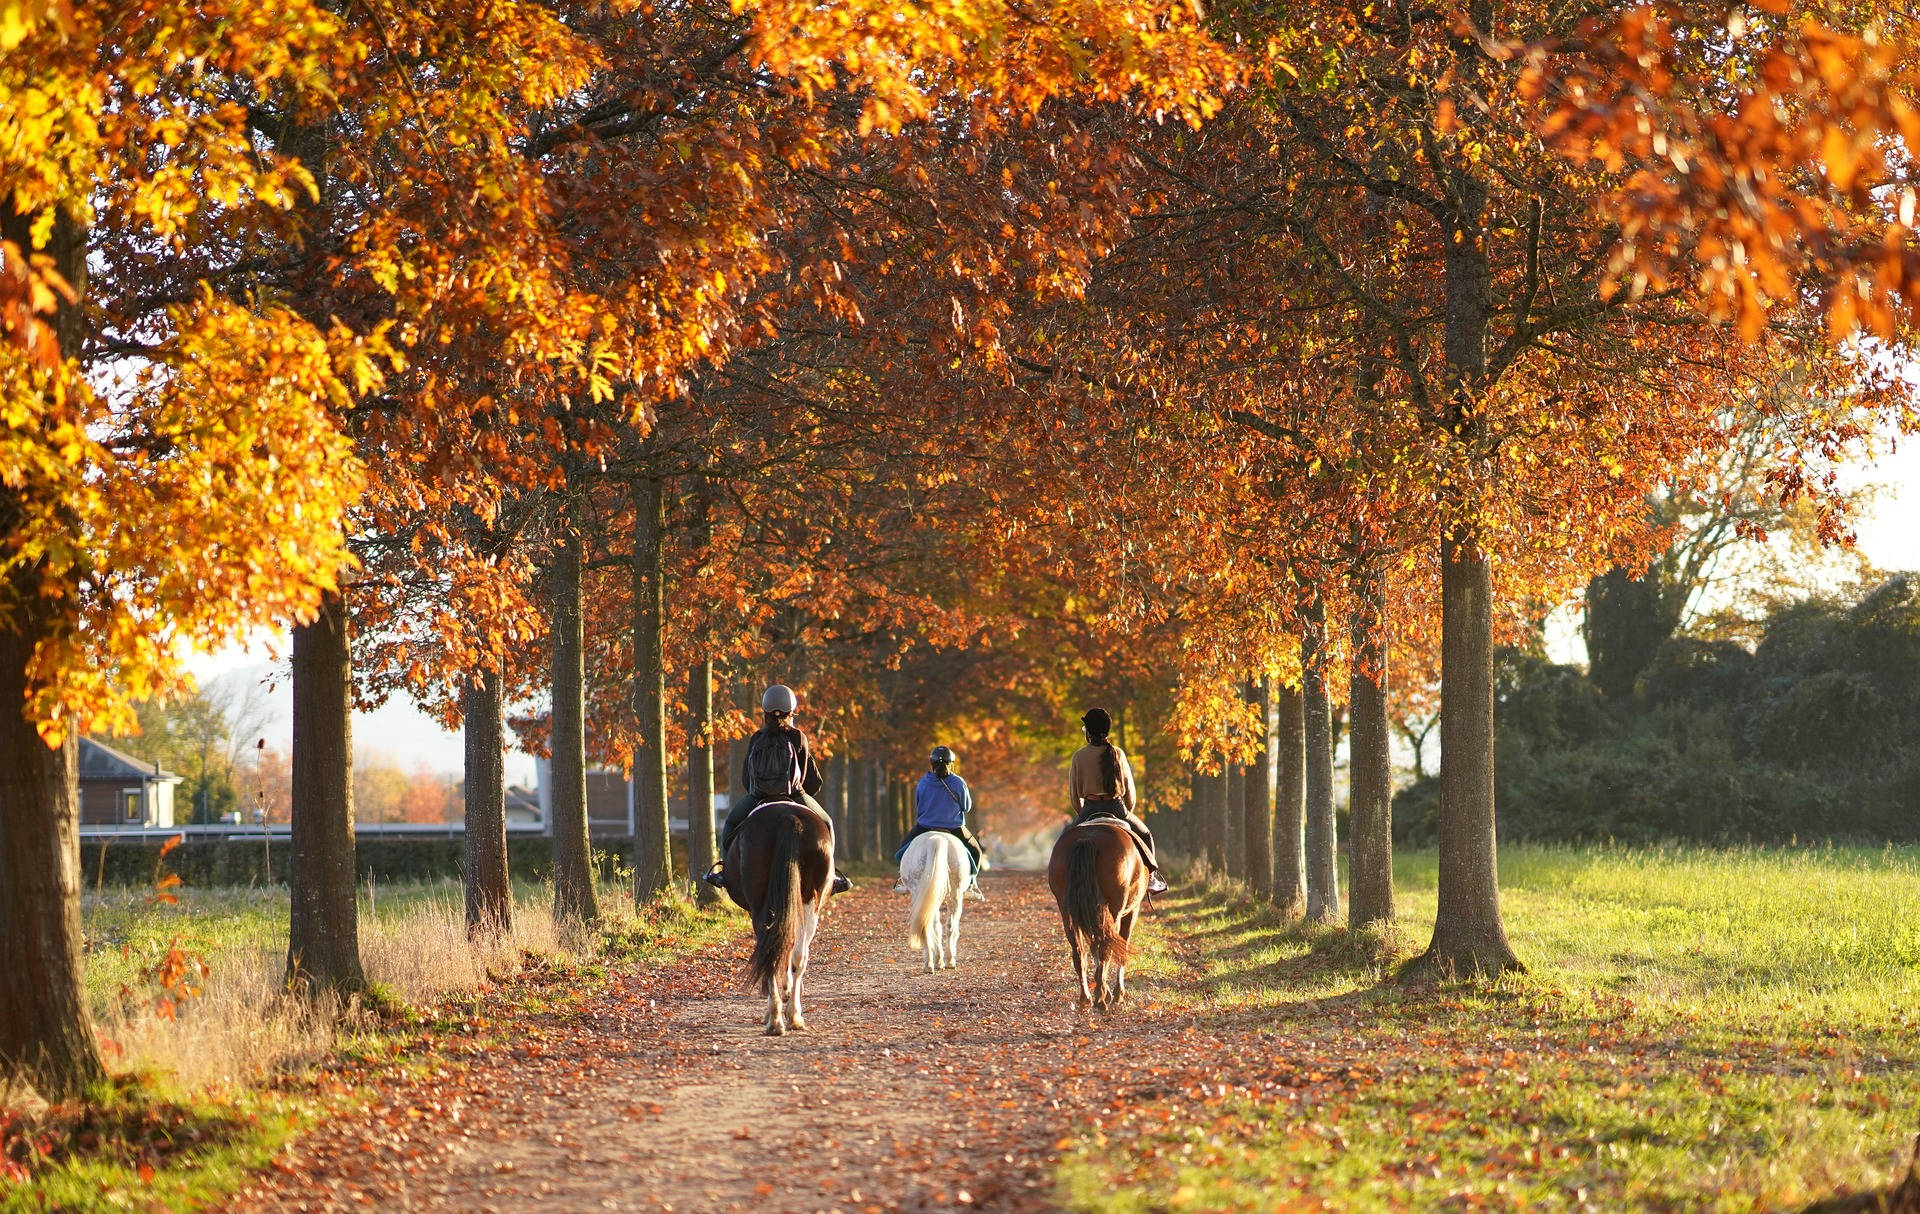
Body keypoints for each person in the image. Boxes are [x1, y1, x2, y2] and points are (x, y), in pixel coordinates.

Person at [702, 684, 851, 895]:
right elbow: (809, 779)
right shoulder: (798, 737)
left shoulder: (756, 738)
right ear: (792, 711)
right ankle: (831, 876)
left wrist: (758, 794)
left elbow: (747, 778)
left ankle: (724, 873)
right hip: (794, 795)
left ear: (765, 711)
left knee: (731, 824)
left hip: (758, 796)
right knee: (827, 823)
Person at [1068, 707, 1168, 894]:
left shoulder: (1079, 756)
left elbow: (1074, 795)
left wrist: (1081, 814)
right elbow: (1130, 793)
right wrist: (1126, 812)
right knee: (1146, 835)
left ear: (1088, 732)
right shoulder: (1118, 754)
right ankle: (1152, 879)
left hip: (1089, 808)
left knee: (1064, 840)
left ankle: (1064, 880)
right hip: (1117, 807)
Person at [891, 746, 987, 899]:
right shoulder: (958, 782)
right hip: (954, 828)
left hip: (925, 827)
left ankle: (902, 881)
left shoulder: (923, 782)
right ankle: (970, 885)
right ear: (951, 763)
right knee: (975, 851)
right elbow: (967, 807)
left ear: (932, 763)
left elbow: (919, 806)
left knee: (902, 851)